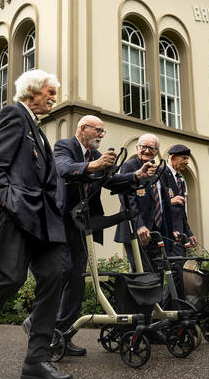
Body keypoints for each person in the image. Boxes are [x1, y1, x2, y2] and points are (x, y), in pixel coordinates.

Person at [0, 69, 72, 379]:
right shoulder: (13, 115)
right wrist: (10, 203)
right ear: (32, 91)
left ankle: (37, 360)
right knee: (11, 278)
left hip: (45, 219)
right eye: (49, 91)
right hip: (20, 215)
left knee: (53, 277)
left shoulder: (38, 129)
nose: (53, 97)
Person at [42, 115, 156, 356]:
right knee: (63, 274)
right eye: (99, 131)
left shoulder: (95, 156)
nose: (102, 136)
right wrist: (95, 165)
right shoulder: (65, 146)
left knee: (76, 279)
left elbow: (112, 182)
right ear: (83, 128)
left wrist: (137, 176)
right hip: (61, 223)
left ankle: (62, 335)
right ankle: (39, 325)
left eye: (103, 132)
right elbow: (63, 169)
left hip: (83, 225)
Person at [113, 133, 172, 273]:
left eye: (151, 148)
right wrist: (139, 225)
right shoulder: (129, 166)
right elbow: (127, 198)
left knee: (158, 273)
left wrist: (170, 230)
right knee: (143, 274)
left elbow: (164, 202)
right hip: (136, 230)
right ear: (137, 147)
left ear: (157, 151)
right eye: (143, 146)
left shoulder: (160, 171)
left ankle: (158, 296)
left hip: (156, 232)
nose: (147, 150)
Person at [161, 144, 197, 258]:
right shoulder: (160, 174)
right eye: (184, 158)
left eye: (187, 158)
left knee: (180, 269)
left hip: (179, 235)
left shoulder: (180, 179)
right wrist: (170, 201)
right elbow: (153, 203)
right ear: (173, 157)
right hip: (167, 233)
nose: (187, 162)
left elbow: (182, 212)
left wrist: (188, 233)